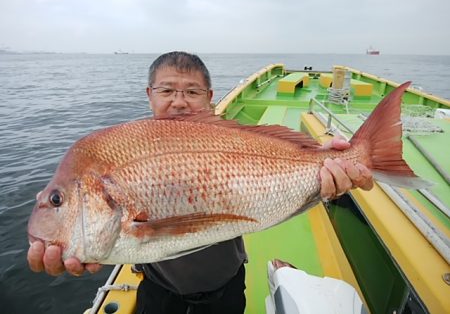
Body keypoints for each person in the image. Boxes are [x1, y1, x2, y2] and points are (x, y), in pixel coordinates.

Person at [28, 51, 373, 313]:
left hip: (227, 286)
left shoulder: (227, 137)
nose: (179, 101)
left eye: (192, 92)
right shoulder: (120, 148)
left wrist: (322, 162)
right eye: (167, 90)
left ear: (210, 98)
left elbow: (277, 178)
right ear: (149, 95)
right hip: (158, 291)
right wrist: (82, 243)